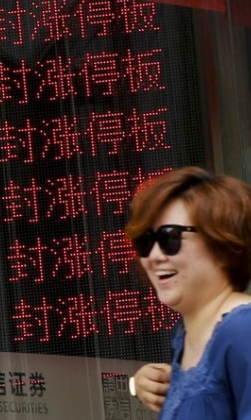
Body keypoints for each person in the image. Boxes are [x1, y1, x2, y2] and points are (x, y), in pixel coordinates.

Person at [125, 166, 251, 419]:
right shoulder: (183, 339)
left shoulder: (242, 329)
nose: (155, 256)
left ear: (223, 243)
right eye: (145, 242)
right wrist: (137, 386)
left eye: (170, 238)